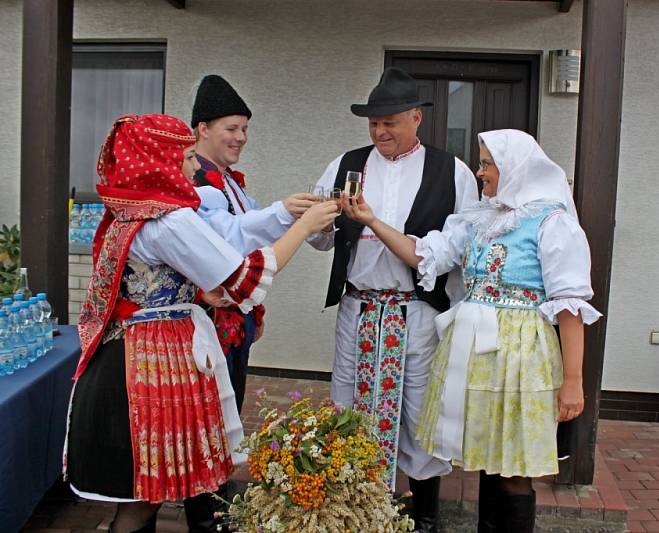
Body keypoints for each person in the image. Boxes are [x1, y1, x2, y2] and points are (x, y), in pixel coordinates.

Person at [65, 114, 338, 533]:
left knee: (145, 497)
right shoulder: (168, 221)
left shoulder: (129, 210)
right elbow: (241, 280)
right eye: (188, 157)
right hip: (149, 366)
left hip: (125, 354)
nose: (196, 167)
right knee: (142, 500)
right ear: (161, 161)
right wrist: (303, 227)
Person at [341, 129, 601, 532]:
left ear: (514, 168)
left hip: (521, 354)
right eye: (480, 164)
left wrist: (573, 381)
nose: (480, 173)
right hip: (477, 355)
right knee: (486, 459)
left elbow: (570, 307)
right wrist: (372, 220)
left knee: (513, 468)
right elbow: (424, 254)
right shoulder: (480, 220)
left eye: (486, 164)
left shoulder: (552, 223)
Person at [308, 66, 479, 532]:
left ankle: (424, 515)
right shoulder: (346, 164)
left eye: (390, 122)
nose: (380, 131)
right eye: (373, 123)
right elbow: (321, 242)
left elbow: (458, 249)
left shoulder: (452, 171)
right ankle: (357, 507)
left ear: (415, 118)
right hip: (358, 306)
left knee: (420, 410)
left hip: (416, 310)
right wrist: (321, 224)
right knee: (350, 403)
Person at [189, 74, 318, 413]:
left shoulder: (230, 182)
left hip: (235, 313)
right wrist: (290, 215)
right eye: (232, 128)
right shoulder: (197, 183)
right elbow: (231, 236)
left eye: (244, 129)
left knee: (230, 404)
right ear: (203, 128)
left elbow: (254, 230)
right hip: (210, 320)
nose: (241, 138)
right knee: (213, 410)